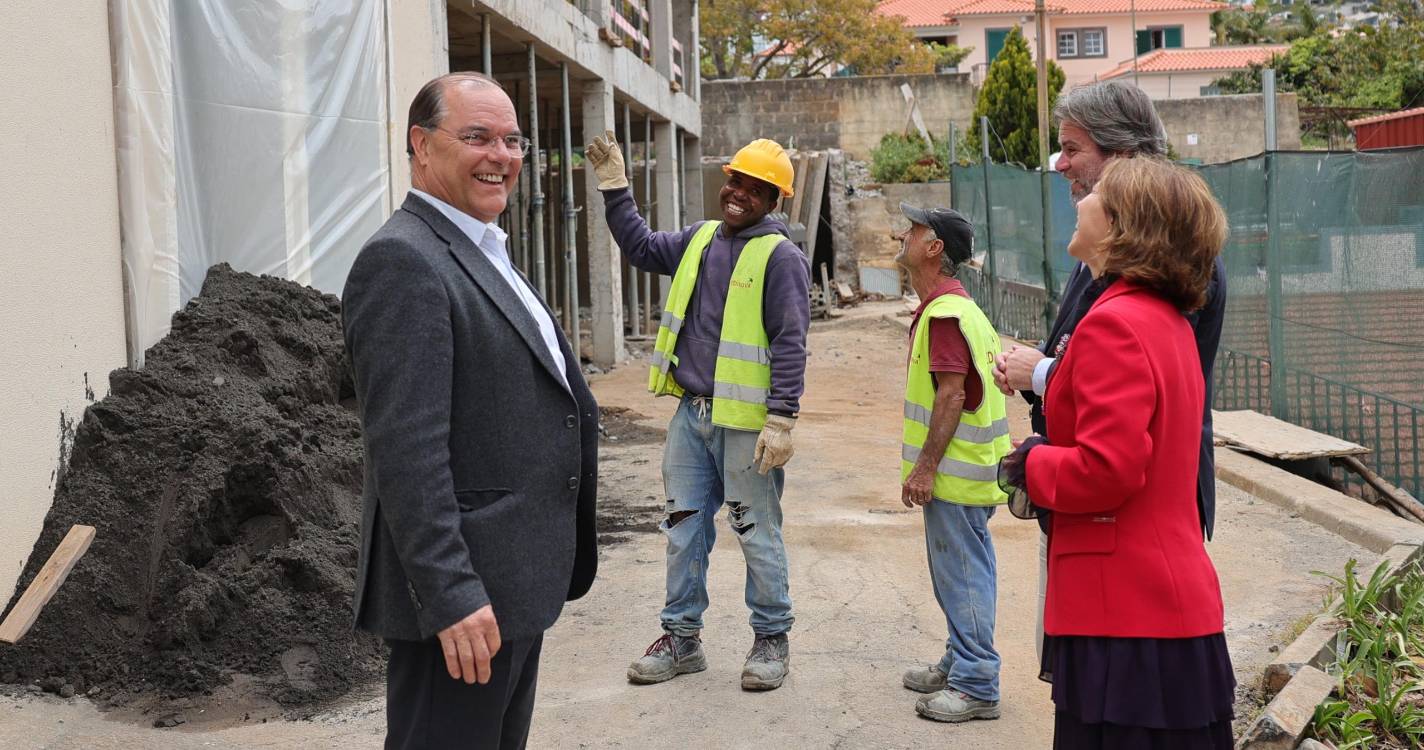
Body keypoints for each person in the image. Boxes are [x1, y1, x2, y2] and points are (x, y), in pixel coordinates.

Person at [342, 72, 599, 749]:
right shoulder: (404, 261)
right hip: (465, 604)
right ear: (421, 146)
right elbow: (406, 453)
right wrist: (451, 593)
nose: (502, 156)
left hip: (512, 586)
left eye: (513, 140)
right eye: (478, 137)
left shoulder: (481, 248)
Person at [999, 156, 1234, 748]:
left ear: (1124, 226)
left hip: (1126, 614)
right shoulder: (1164, 318)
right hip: (1160, 608)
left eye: (1096, 193)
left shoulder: (1116, 324)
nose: (1079, 197)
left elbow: (1108, 470)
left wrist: (1031, 460)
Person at [584, 132, 810, 691]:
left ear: (773, 199)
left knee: (754, 528)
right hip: (692, 415)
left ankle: (771, 638)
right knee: (683, 527)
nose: (739, 194)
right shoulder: (702, 240)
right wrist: (615, 185)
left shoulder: (781, 257)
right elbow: (638, 245)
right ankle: (681, 639)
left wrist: (782, 418)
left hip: (747, 422)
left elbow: (790, 342)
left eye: (755, 189)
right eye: (734, 181)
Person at [894, 204, 1013, 723]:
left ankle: (976, 681)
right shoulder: (958, 309)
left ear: (934, 248)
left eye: (914, 231)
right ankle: (959, 657)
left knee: (962, 573)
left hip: (955, 474)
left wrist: (924, 469)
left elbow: (950, 396)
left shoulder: (946, 315)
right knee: (961, 571)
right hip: (971, 469)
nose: (904, 234)